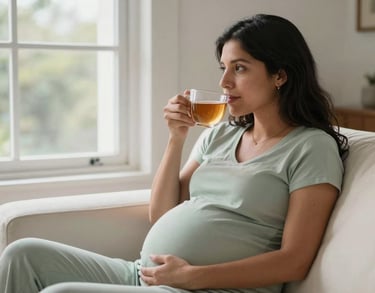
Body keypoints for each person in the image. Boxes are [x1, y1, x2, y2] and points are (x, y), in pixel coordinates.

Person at [0, 14, 348, 293]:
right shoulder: (222, 134)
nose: (225, 82)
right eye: (223, 68)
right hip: (147, 275)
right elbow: (162, 212)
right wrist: (176, 138)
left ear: (280, 75)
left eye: (240, 68)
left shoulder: (311, 147)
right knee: (22, 254)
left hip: (204, 289)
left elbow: (294, 261)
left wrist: (192, 276)